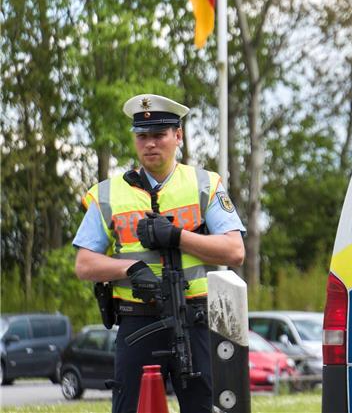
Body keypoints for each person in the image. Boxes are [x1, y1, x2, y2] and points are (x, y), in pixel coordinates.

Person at [73, 94, 246, 413]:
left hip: (195, 319)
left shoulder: (204, 184)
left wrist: (178, 236)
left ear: (178, 136)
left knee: (201, 407)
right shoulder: (108, 193)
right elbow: (84, 264)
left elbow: (234, 251)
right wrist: (129, 269)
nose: (150, 143)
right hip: (137, 322)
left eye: (159, 134)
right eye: (142, 136)